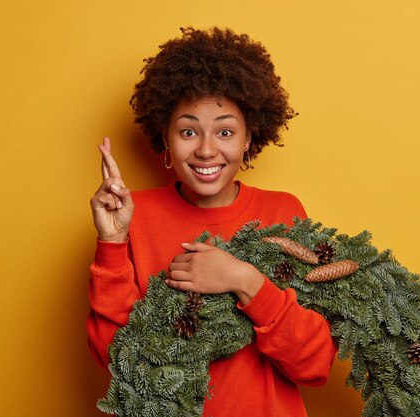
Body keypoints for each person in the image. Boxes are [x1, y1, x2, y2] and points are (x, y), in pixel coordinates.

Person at [87, 27, 336, 417]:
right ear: (165, 138)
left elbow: (314, 363)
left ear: (249, 137)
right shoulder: (135, 216)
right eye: (188, 131)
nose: (205, 149)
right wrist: (112, 244)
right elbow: (117, 362)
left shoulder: (283, 213)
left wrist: (244, 280)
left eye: (224, 131)